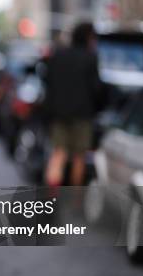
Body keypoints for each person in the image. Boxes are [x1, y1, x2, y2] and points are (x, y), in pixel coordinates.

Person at [43, 22, 105, 186]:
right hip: (83, 115)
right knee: (79, 157)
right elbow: (96, 89)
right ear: (88, 37)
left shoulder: (58, 55)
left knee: (58, 154)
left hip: (59, 114)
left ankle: (52, 196)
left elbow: (48, 83)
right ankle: (74, 201)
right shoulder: (91, 58)